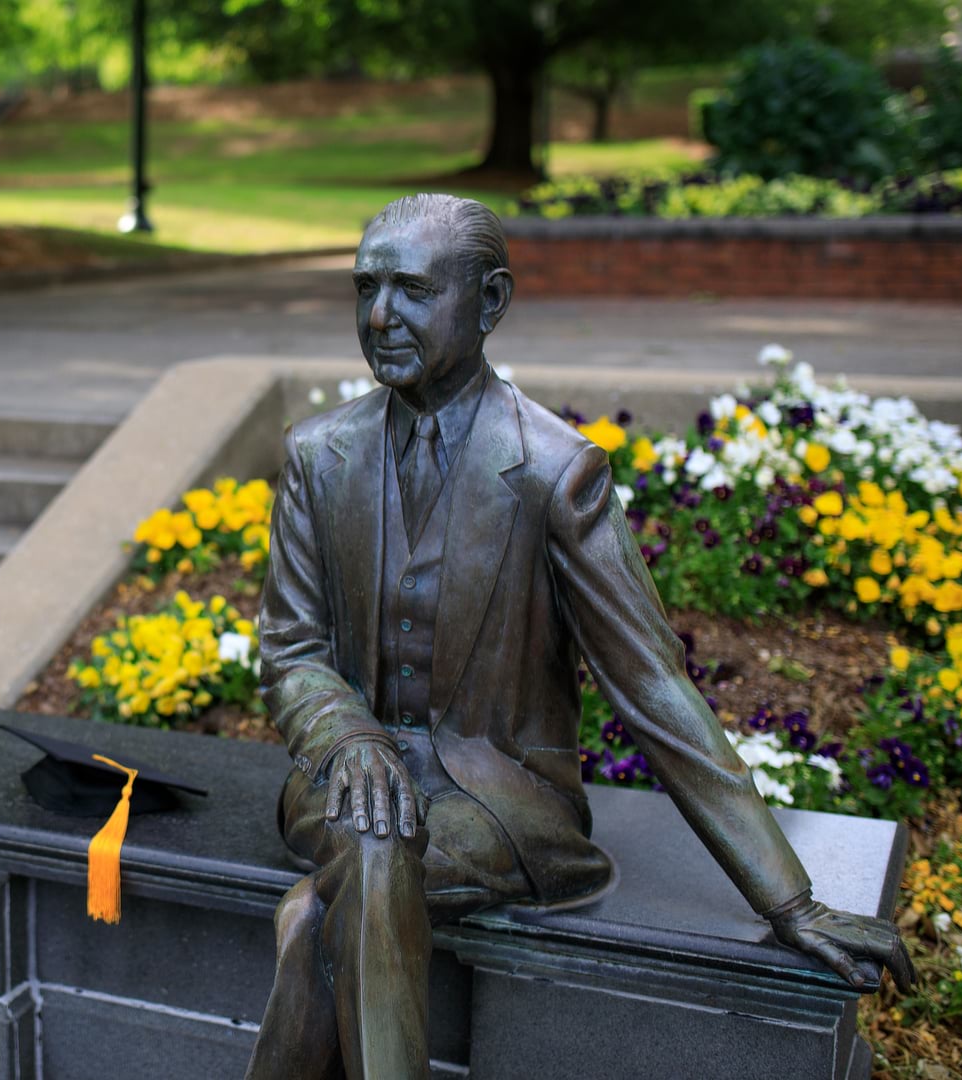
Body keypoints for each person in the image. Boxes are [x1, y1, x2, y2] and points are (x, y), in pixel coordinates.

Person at [245, 193, 915, 1080]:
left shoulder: (556, 471)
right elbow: (291, 647)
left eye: (411, 290)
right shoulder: (317, 454)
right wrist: (349, 734)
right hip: (342, 783)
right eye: (365, 287)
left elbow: (651, 683)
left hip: (500, 797)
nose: (379, 317)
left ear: (489, 304)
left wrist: (789, 900)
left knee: (345, 886)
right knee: (365, 851)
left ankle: (314, 930)